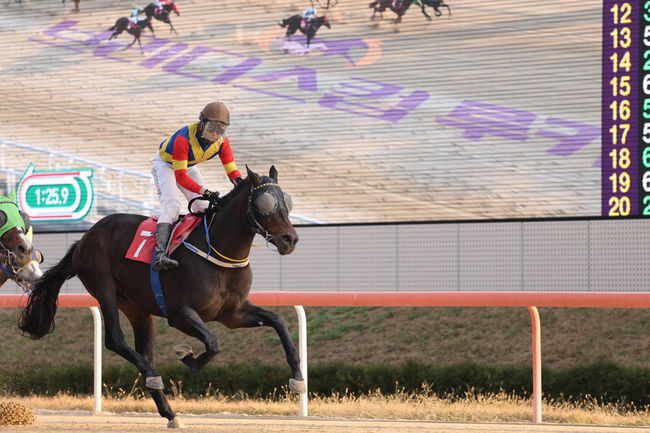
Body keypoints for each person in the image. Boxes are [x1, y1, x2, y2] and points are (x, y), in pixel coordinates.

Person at [151, 101, 243, 271]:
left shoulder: (222, 142)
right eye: (211, 127)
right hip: (165, 165)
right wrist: (205, 191)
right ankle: (160, 254)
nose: (215, 134)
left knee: (204, 206)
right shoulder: (183, 139)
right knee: (172, 205)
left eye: (220, 130)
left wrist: (241, 184)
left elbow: (231, 169)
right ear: (201, 123)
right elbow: (181, 177)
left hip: (187, 165)